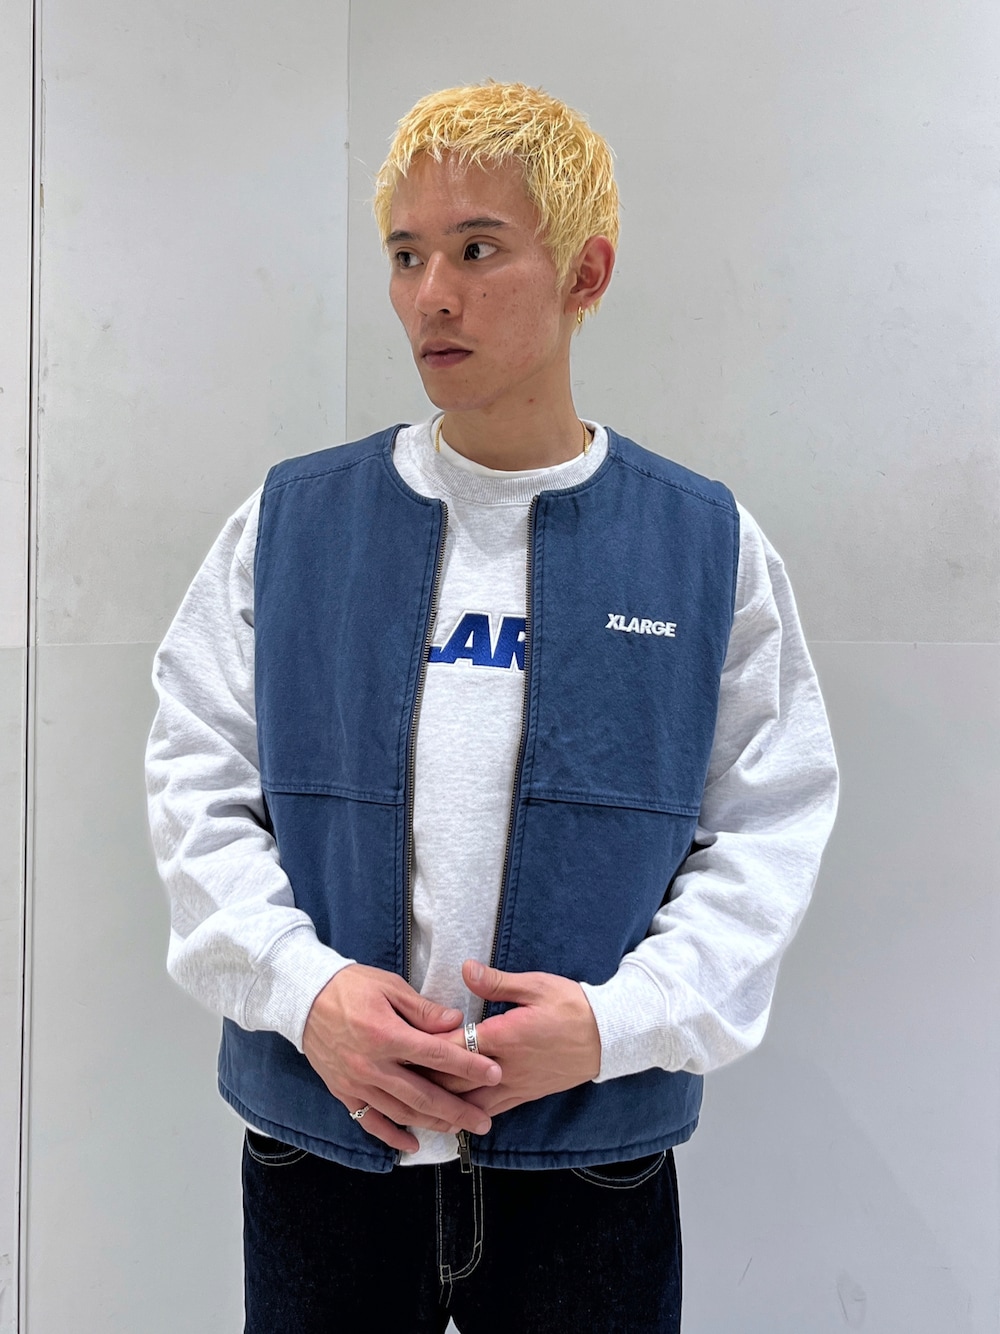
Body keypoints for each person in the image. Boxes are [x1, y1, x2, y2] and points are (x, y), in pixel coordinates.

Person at [146, 81, 838, 1333]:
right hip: (327, 1146)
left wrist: (613, 1023)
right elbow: (195, 787)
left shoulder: (701, 544)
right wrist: (307, 992)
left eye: (476, 250)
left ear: (585, 272)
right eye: (406, 255)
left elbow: (767, 826)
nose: (432, 295)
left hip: (590, 1158)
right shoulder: (291, 526)